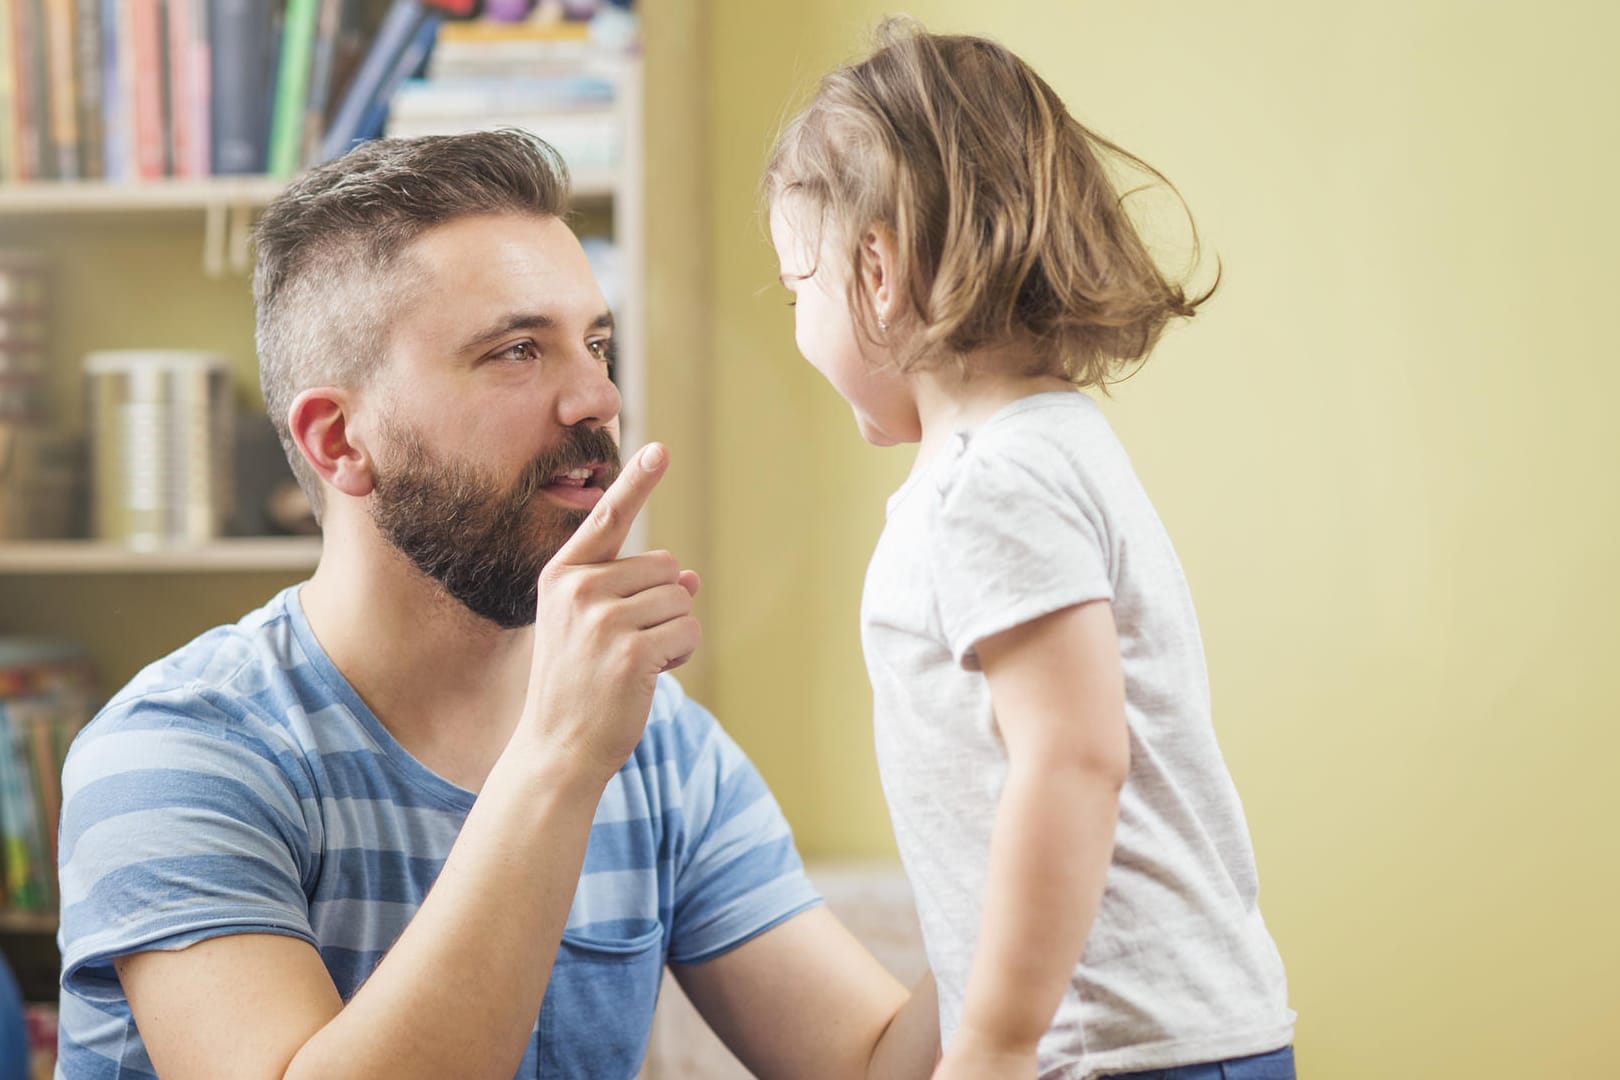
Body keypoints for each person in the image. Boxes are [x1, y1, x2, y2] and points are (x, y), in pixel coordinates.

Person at [55, 130, 938, 1080]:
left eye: (596, 344)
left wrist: (1055, 831)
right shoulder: (173, 752)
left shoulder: (663, 752)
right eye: (518, 351)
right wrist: (559, 756)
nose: (597, 398)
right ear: (339, 439)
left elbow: (878, 1067)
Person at [764, 20, 1295, 1080]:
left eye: (795, 289)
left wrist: (996, 1046)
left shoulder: (985, 489)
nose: (794, 329)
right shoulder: (1054, 447)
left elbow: (1072, 756)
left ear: (876, 271)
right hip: (1165, 1036)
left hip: (1110, 1050)